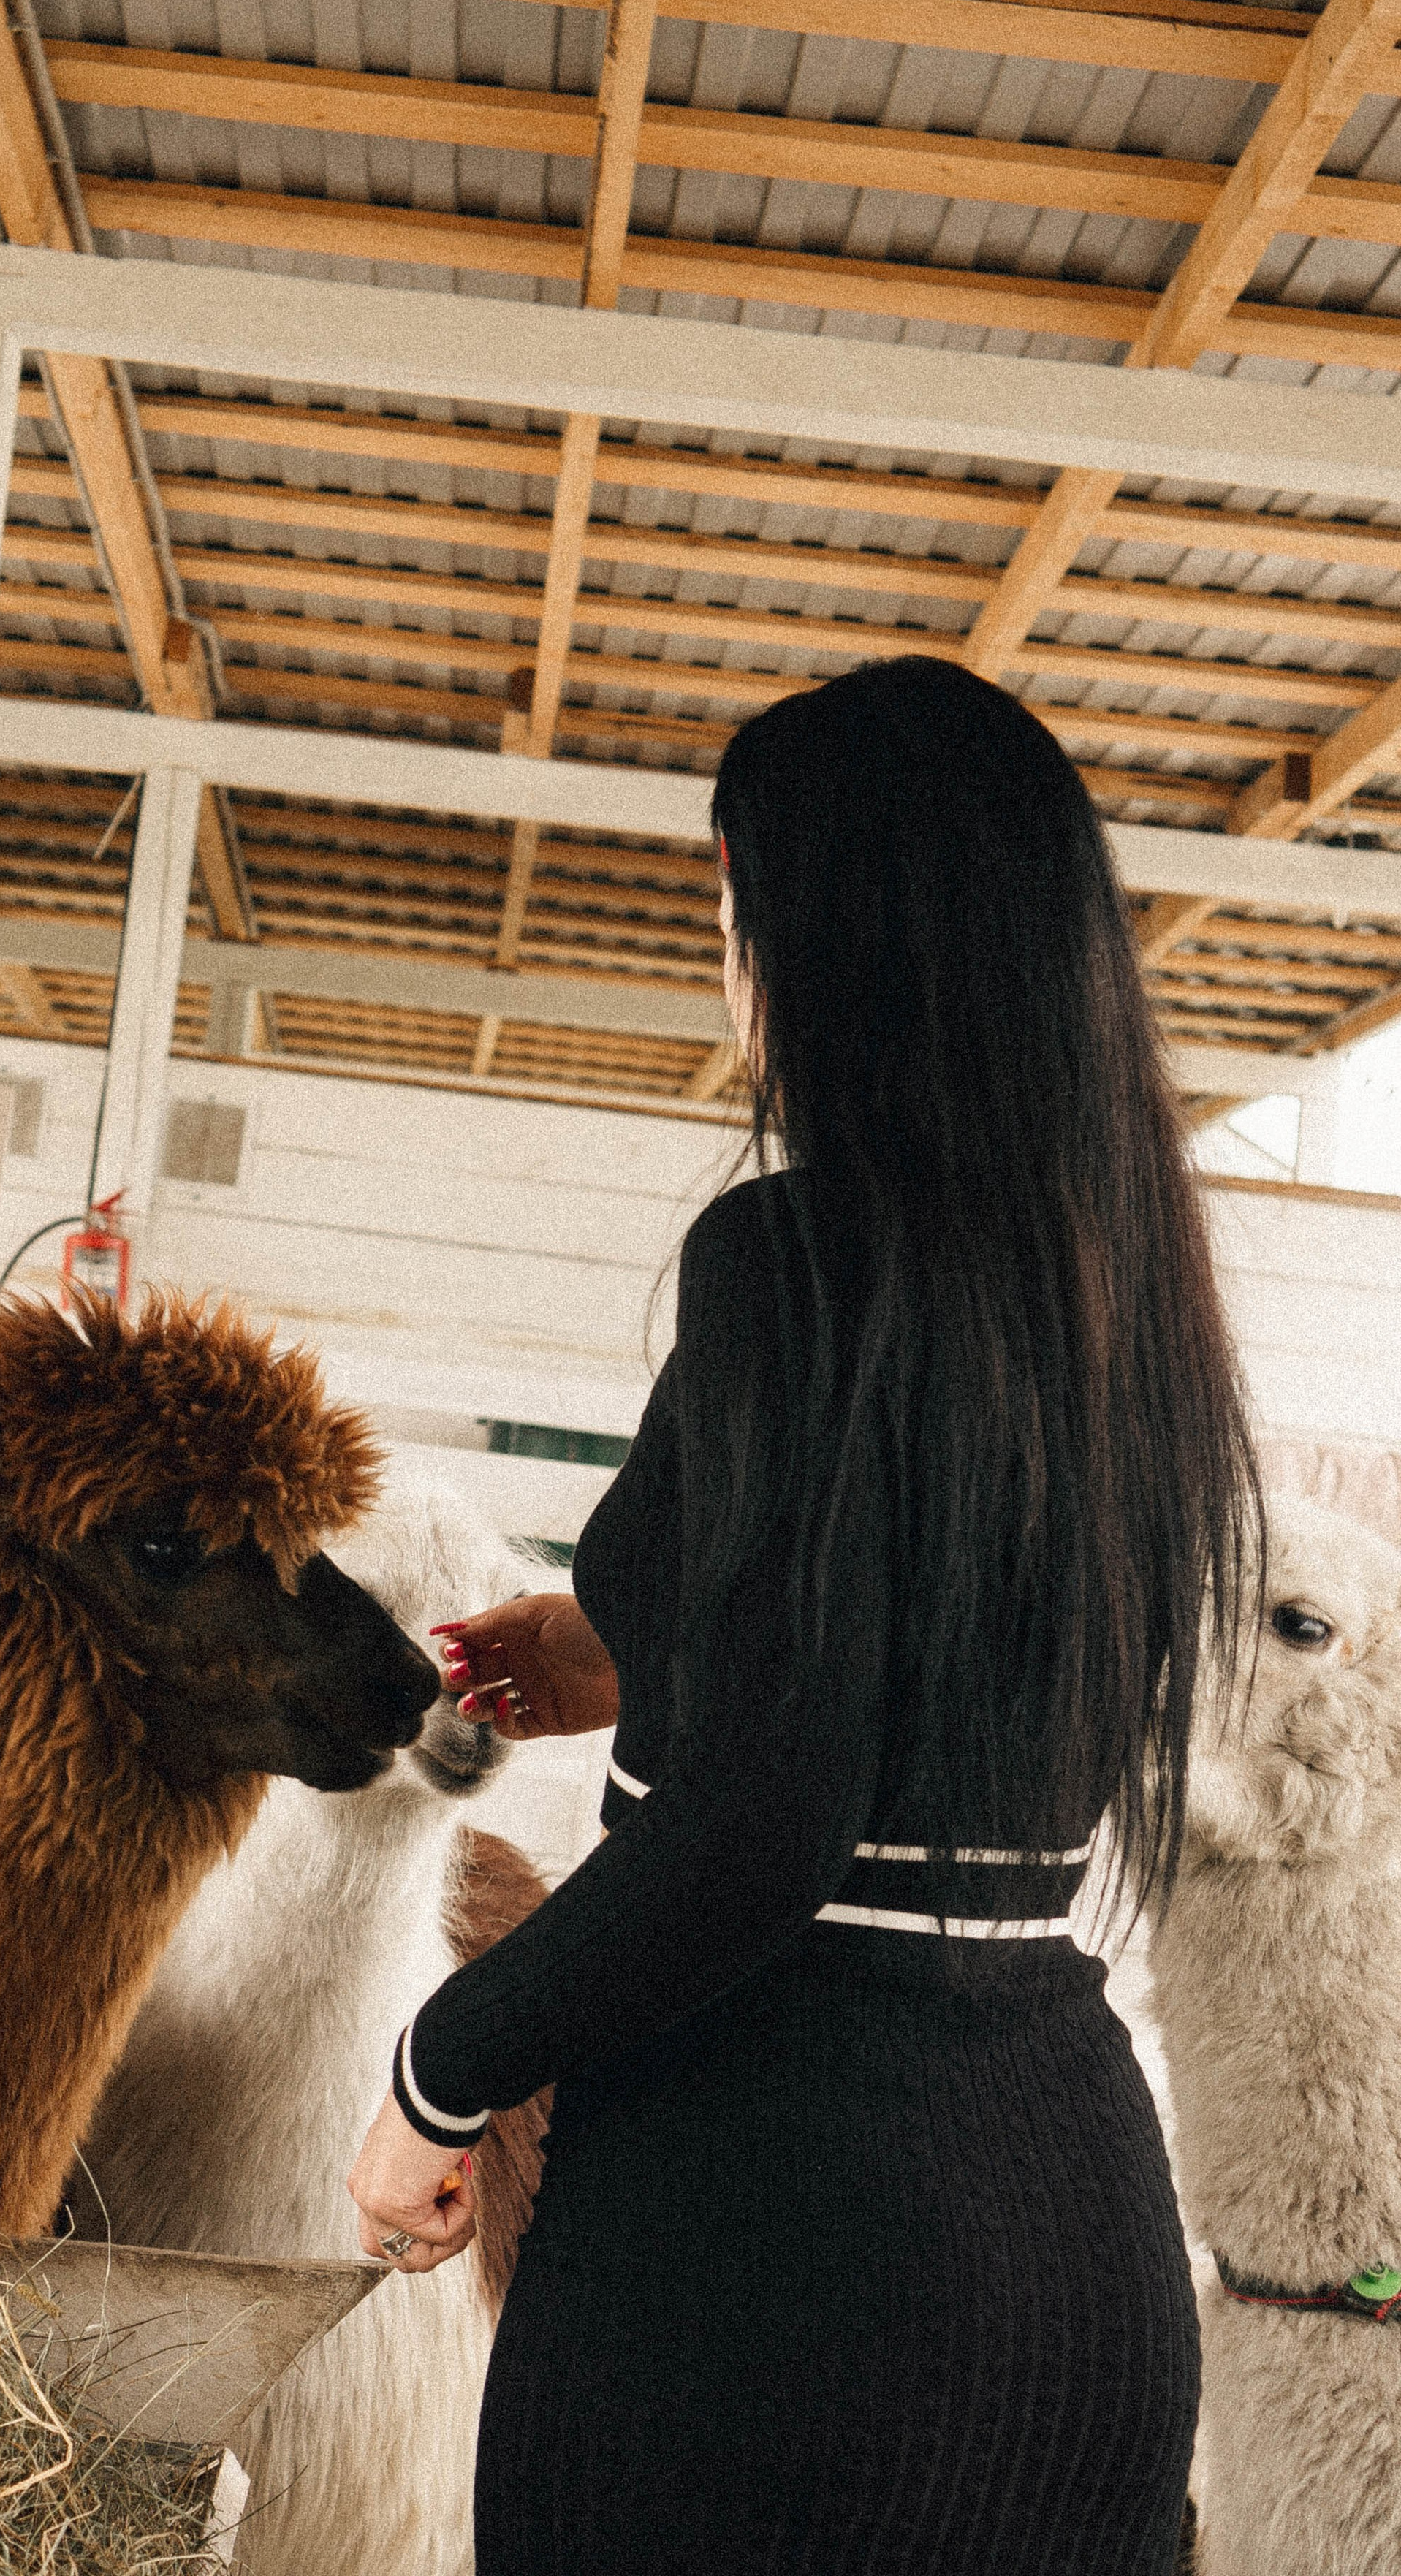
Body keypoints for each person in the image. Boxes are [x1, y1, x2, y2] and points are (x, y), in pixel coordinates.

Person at [345, 656, 1259, 2576]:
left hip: (774, 2234)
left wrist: (448, 2067)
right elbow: (940, 1680)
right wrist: (634, 1655)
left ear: (832, 942)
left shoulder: (789, 1258)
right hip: (1068, 2223)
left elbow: (770, 1822)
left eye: (738, 908)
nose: (729, 965)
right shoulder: (1126, 1298)